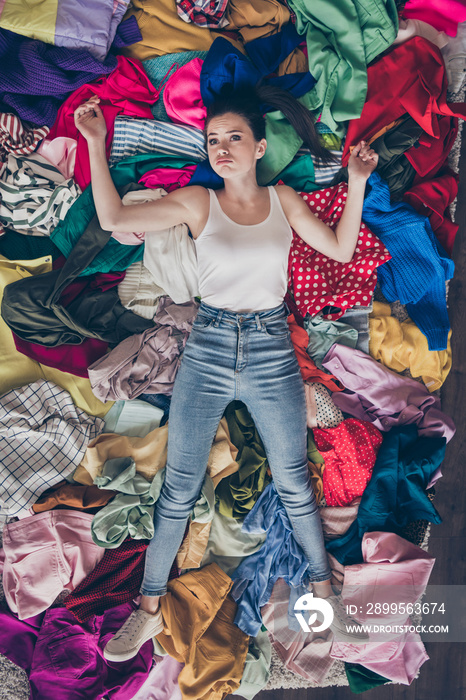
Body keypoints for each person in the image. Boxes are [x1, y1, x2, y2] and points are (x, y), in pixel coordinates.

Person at [74, 85, 377, 662]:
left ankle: (326, 602)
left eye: (234, 137)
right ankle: (148, 610)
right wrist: (95, 141)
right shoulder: (196, 201)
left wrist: (357, 181)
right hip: (208, 347)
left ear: (259, 146)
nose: (221, 148)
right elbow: (113, 216)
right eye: (213, 139)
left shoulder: (284, 200)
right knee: (178, 489)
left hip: (268, 348)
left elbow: (340, 251)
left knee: (293, 482)